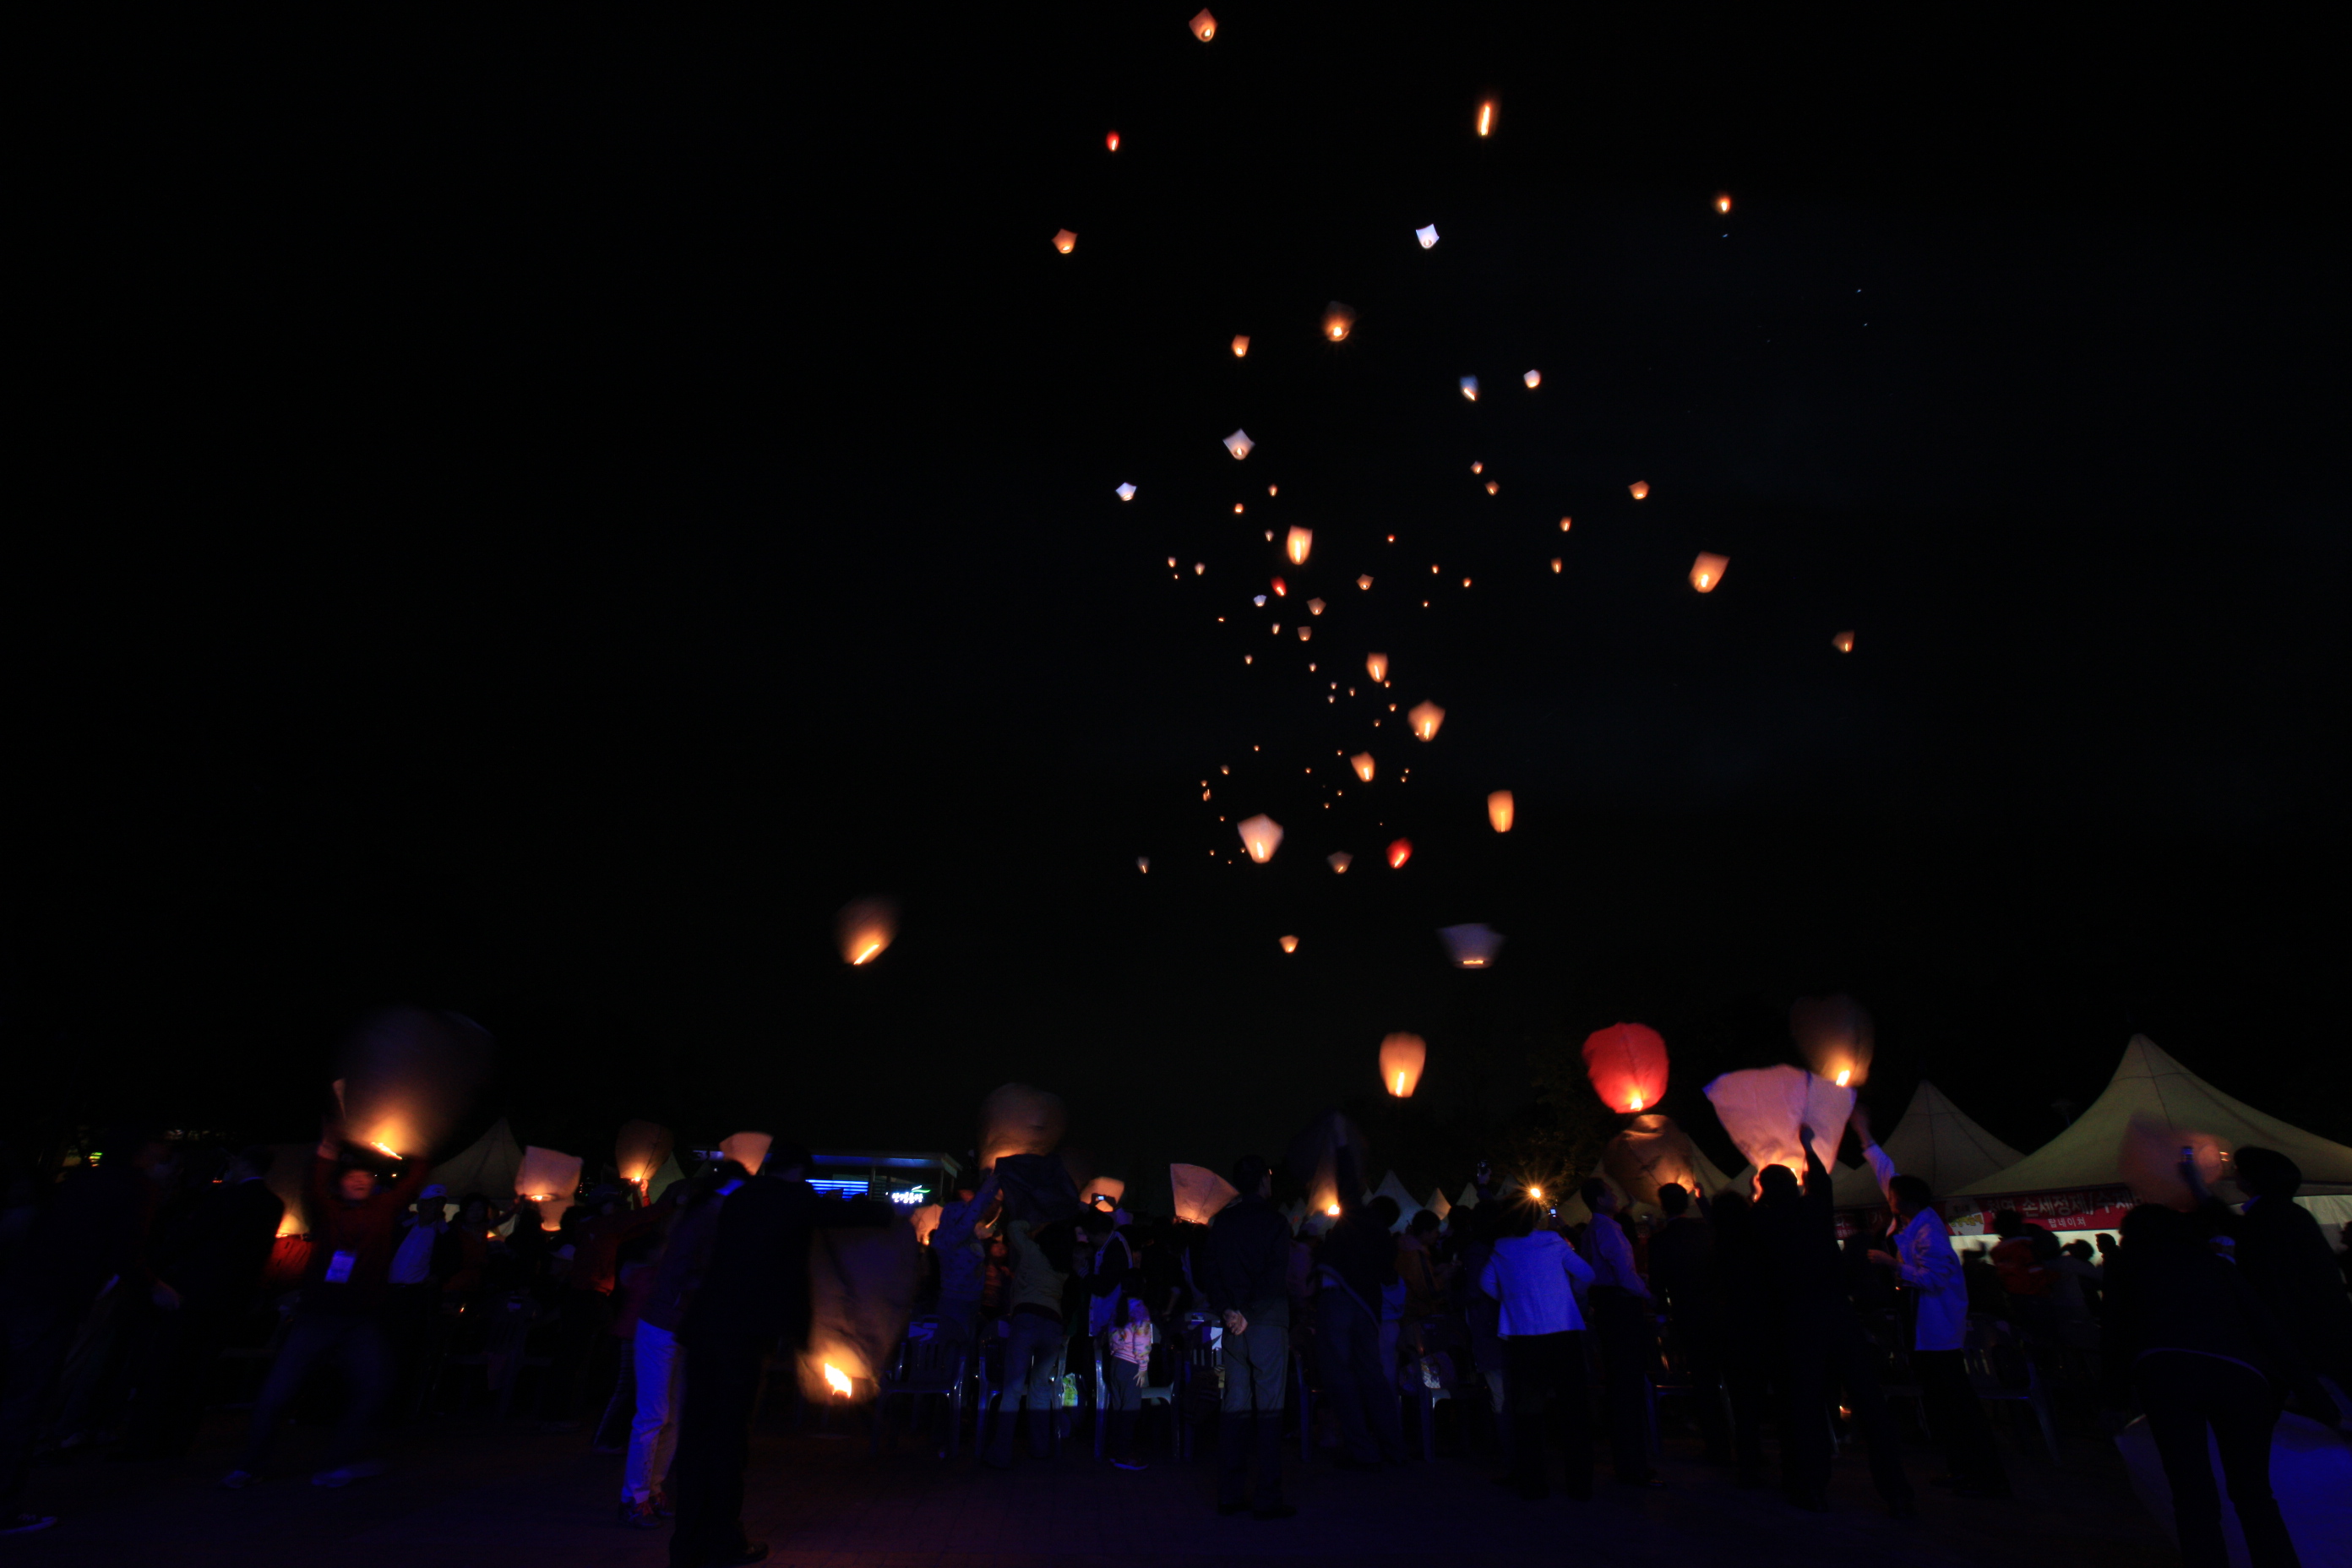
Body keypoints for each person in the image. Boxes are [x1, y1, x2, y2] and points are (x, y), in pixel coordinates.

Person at [670, 1141, 889, 1568]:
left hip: (704, 1329)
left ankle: (686, 1545)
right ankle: (724, 1544)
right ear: (801, 1172)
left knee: (696, 1439)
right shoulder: (795, 1198)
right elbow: (854, 1216)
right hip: (744, 1336)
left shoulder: (739, 1200)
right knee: (729, 1441)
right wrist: (888, 1212)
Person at [2104, 1196, 2339, 1568]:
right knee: (2254, 1493)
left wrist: (2114, 1398)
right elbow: (2269, 1332)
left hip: (2166, 1375)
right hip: (2239, 1376)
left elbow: (2116, 1334)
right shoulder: (2216, 1266)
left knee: (2191, 1495)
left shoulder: (2128, 1267)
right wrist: (2322, 1405)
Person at [223, 1119, 433, 1489]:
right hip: (316, 1318)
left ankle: (337, 1462)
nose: (360, 1180)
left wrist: (417, 1145)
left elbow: (414, 1179)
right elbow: (317, 1176)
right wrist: (330, 1142)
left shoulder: (384, 1208)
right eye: (353, 1176)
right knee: (277, 1393)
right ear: (339, 1183)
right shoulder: (327, 1209)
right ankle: (248, 1465)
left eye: (367, 1177)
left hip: (360, 1321)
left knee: (375, 1384)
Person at [0, 1124, 172, 1536]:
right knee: (24, 1404)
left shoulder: (82, 1179)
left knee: (13, 1394)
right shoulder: (134, 1187)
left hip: (23, 1289)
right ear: (146, 1148)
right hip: (55, 1298)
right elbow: (125, 1249)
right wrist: (154, 1286)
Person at [1753, 1127, 1914, 1516]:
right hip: (1837, 1315)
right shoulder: (1814, 1210)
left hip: (1796, 1322)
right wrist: (1807, 1144)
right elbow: (1820, 1181)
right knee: (1868, 1400)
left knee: (1806, 1406)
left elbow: (1756, 1211)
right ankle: (1897, 1493)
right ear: (1796, 1185)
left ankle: (1811, 1487)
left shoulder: (1763, 1225)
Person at [1854, 1107, 2008, 1500]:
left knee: (1955, 1403)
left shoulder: (1929, 1230)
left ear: (1902, 1201)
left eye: (1891, 1195)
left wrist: (1893, 1265)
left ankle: (1980, 1471)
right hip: (1924, 1328)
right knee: (1945, 1403)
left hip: (1938, 1331)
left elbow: (1938, 1277)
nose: (1886, 1195)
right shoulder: (1908, 1220)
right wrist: (1866, 1139)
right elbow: (1888, 1174)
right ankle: (1966, 1468)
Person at [122, 1146, 286, 1459]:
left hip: (192, 1291)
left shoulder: (225, 1198)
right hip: (228, 1298)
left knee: (166, 1365)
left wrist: (150, 1269)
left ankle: (145, 1441)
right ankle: (178, 1440)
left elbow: (189, 1238)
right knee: (199, 1370)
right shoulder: (272, 1205)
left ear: (238, 1161)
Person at [623, 1163, 747, 1530]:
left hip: (680, 1326)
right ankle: (634, 1497)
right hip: (664, 1324)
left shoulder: (710, 1221)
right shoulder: (703, 1221)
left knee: (673, 1415)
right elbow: (691, 1274)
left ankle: (653, 1489)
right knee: (654, 1414)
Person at [1478, 1191, 1596, 1500]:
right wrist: (1571, 1295)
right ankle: (1580, 1483)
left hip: (1524, 1337)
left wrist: (1513, 1300)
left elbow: (1485, 1283)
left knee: (1528, 1411)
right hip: (1563, 1331)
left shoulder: (1501, 1249)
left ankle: (1534, 1483)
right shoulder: (1553, 1241)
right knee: (1574, 1408)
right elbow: (1587, 1273)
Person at [1203, 1154, 1293, 1519]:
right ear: (1263, 1181)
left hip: (1232, 1327)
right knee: (1270, 1410)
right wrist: (1249, 1314)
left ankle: (1230, 1493)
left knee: (1235, 1406)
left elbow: (1209, 1270)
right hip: (1266, 1323)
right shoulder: (1275, 1222)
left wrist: (1229, 1310)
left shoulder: (1222, 1222)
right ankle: (1267, 1496)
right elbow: (1274, 1276)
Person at [1313, 1140, 1407, 1469]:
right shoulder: (1385, 1240)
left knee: (1340, 1377)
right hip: (1368, 1308)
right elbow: (1388, 1278)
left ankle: (1361, 1450)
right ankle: (1393, 1448)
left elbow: (1349, 1186)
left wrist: (1340, 1147)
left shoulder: (1356, 1218)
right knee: (1373, 1377)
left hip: (1337, 1300)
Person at [2228, 1146, 2352, 1395]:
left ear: (2252, 1178)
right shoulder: (2292, 1214)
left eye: (2238, 1169)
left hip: (2304, 1333)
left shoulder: (2268, 1218)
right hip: (2323, 1331)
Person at [1576, 1179, 1659, 1488]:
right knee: (1628, 1384)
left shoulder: (1591, 1230)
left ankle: (1628, 1461)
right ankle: (1633, 1464)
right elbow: (1623, 1273)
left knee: (1619, 1383)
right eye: (1611, 1192)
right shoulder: (1608, 1229)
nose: (1615, 1196)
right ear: (1599, 1199)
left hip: (1607, 1307)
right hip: (1621, 1309)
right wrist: (1647, 1293)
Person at [1646, 1182, 1732, 1466]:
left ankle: (1717, 1444)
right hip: (1720, 1313)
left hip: (1688, 1317)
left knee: (1704, 1381)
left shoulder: (1660, 1240)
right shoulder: (1705, 1232)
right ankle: (1742, 1439)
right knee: (1732, 1378)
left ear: (1662, 1206)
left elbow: (1658, 1286)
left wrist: (1660, 1316)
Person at [983, 1212, 1075, 1467]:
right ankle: (1040, 1448)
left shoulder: (1032, 1251)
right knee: (1040, 1387)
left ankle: (1001, 1452)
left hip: (1026, 1319)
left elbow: (1014, 1227)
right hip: (1053, 1324)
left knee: (1012, 1388)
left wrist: (1038, 1222)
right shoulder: (1063, 1265)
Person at [928, 1169, 1000, 1347]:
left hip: (973, 1301)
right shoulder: (947, 1238)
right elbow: (972, 1214)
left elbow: (981, 1210)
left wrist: (994, 1185)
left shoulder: (968, 1237)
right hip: (954, 1302)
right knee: (952, 1350)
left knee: (964, 1350)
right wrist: (985, 1190)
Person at [1102, 1297, 1156, 1470]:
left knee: (1117, 1409)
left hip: (1116, 1362)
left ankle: (1115, 1451)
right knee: (1130, 1411)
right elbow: (1142, 1337)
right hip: (1131, 1364)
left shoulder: (1119, 1306)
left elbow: (1111, 1333)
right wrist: (1143, 1365)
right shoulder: (1140, 1309)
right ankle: (1124, 1456)